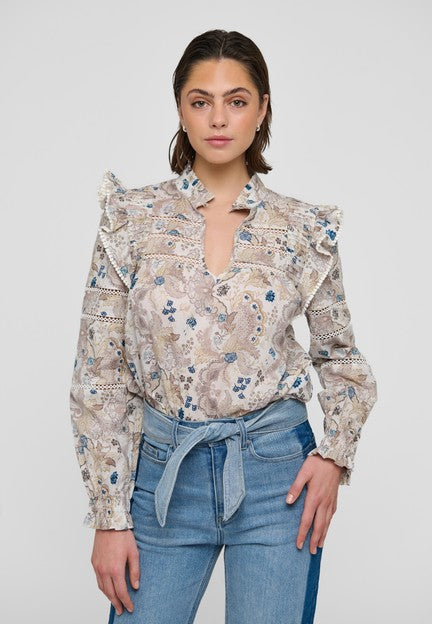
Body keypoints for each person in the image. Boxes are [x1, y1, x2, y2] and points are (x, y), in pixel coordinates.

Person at [69, 29, 378, 624]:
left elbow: (341, 357)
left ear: (262, 110)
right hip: (162, 476)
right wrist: (110, 516)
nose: (218, 118)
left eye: (236, 101)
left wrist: (334, 456)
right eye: (200, 100)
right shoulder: (130, 221)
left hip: (276, 479)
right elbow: (98, 373)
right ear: (180, 110)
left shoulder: (302, 230)